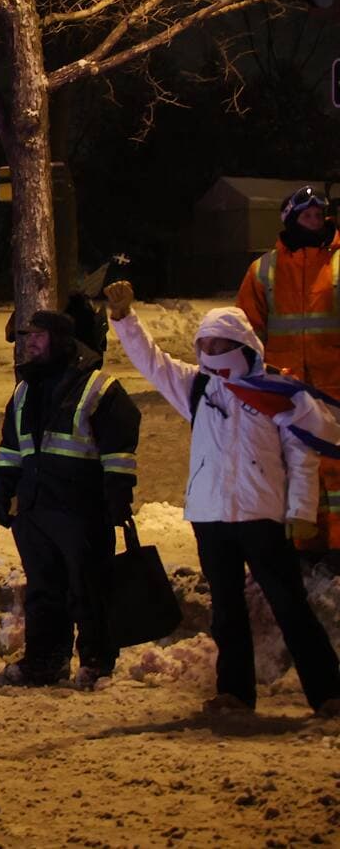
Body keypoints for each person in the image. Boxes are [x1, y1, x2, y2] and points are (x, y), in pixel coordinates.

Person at [108, 284, 340, 715]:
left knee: (290, 606)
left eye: (217, 344)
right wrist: (124, 319)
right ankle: (234, 694)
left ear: (241, 343)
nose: (209, 352)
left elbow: (303, 456)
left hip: (262, 517)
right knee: (227, 611)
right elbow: (153, 362)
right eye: (203, 344)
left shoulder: (278, 392)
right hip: (211, 518)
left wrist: (301, 511)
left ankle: (328, 693)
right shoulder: (197, 389)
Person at [0, 309, 141, 688]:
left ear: (61, 339)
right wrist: (2, 490)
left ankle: (96, 662)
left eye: (39, 336)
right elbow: (12, 448)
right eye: (28, 337)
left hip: (82, 507)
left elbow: (119, 448)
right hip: (37, 507)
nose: (31, 343)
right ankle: (45, 661)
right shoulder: (25, 390)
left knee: (88, 588)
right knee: (43, 592)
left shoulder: (99, 387)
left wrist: (117, 495)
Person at [237, 185, 340, 566]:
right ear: (291, 218)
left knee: (336, 467)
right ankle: (299, 545)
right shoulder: (264, 270)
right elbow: (246, 329)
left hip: (335, 386)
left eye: (319, 214)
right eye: (307, 214)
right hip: (286, 387)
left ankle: (337, 545)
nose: (315, 219)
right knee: (289, 464)